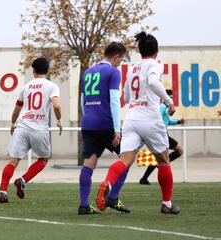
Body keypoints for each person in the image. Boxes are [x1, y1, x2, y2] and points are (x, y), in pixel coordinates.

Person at [96, 32, 181, 214]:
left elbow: (126, 97)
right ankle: (166, 204)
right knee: (163, 160)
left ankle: (107, 183)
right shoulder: (155, 63)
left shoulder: (133, 68)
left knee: (125, 160)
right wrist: (168, 102)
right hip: (149, 117)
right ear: (156, 51)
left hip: (131, 118)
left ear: (140, 51)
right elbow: (152, 81)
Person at [0, 57, 62, 203]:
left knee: (13, 161)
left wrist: (13, 123)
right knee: (43, 159)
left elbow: (16, 110)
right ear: (48, 71)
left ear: (33, 71)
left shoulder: (25, 87)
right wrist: (58, 120)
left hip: (22, 127)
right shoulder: (52, 86)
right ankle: (22, 179)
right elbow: (57, 106)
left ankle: (2, 191)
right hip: (39, 129)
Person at [78, 42, 130, 215]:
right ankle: (113, 197)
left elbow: (83, 100)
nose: (119, 63)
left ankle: (84, 205)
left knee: (88, 164)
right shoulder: (113, 72)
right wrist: (117, 129)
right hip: (106, 124)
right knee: (127, 159)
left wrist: (89, 116)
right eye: (120, 60)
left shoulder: (88, 71)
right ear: (116, 57)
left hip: (88, 123)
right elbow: (115, 100)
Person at [139, 89, 185, 185]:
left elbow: (167, 121)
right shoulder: (162, 107)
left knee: (159, 158)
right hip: (161, 135)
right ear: (165, 98)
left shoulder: (165, 107)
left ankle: (144, 178)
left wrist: (178, 122)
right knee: (180, 150)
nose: (171, 99)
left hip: (163, 135)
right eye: (170, 98)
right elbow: (156, 118)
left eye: (172, 98)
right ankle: (162, 165)